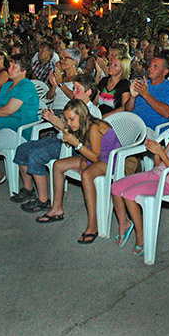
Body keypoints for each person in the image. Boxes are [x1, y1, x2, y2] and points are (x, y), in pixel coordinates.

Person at [111, 108, 169, 255]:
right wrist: (156, 152)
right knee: (116, 187)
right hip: (154, 174)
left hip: (167, 183)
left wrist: (160, 153)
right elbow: (159, 163)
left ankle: (141, 237)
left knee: (128, 194)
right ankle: (124, 223)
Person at [35, 100, 121, 245]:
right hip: (96, 157)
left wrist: (77, 144)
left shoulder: (94, 127)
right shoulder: (82, 124)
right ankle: (57, 208)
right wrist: (53, 120)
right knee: (58, 165)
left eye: (72, 119)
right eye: (67, 119)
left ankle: (93, 224)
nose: (69, 123)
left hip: (112, 161)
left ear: (81, 116)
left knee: (87, 175)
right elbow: (69, 132)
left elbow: (95, 157)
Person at [12, 75, 101, 211]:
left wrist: (59, 125)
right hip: (61, 139)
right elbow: (65, 128)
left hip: (73, 147)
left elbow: (80, 138)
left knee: (36, 155)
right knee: (22, 149)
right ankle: (28, 188)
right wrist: (53, 120)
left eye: (78, 89)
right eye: (74, 88)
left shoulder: (92, 112)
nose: (74, 92)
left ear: (88, 92)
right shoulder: (74, 105)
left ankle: (43, 200)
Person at [0, 54, 39, 188]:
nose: (9, 69)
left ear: (24, 71)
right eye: (9, 66)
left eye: (14, 67)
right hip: (2, 125)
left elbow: (9, 110)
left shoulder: (26, 86)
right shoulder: (7, 85)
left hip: (19, 130)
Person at [124, 54, 169, 134]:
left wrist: (146, 95)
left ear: (165, 72)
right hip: (132, 125)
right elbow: (128, 109)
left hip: (151, 131)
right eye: (150, 65)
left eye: (155, 66)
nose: (150, 68)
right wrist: (132, 97)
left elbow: (167, 113)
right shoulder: (143, 84)